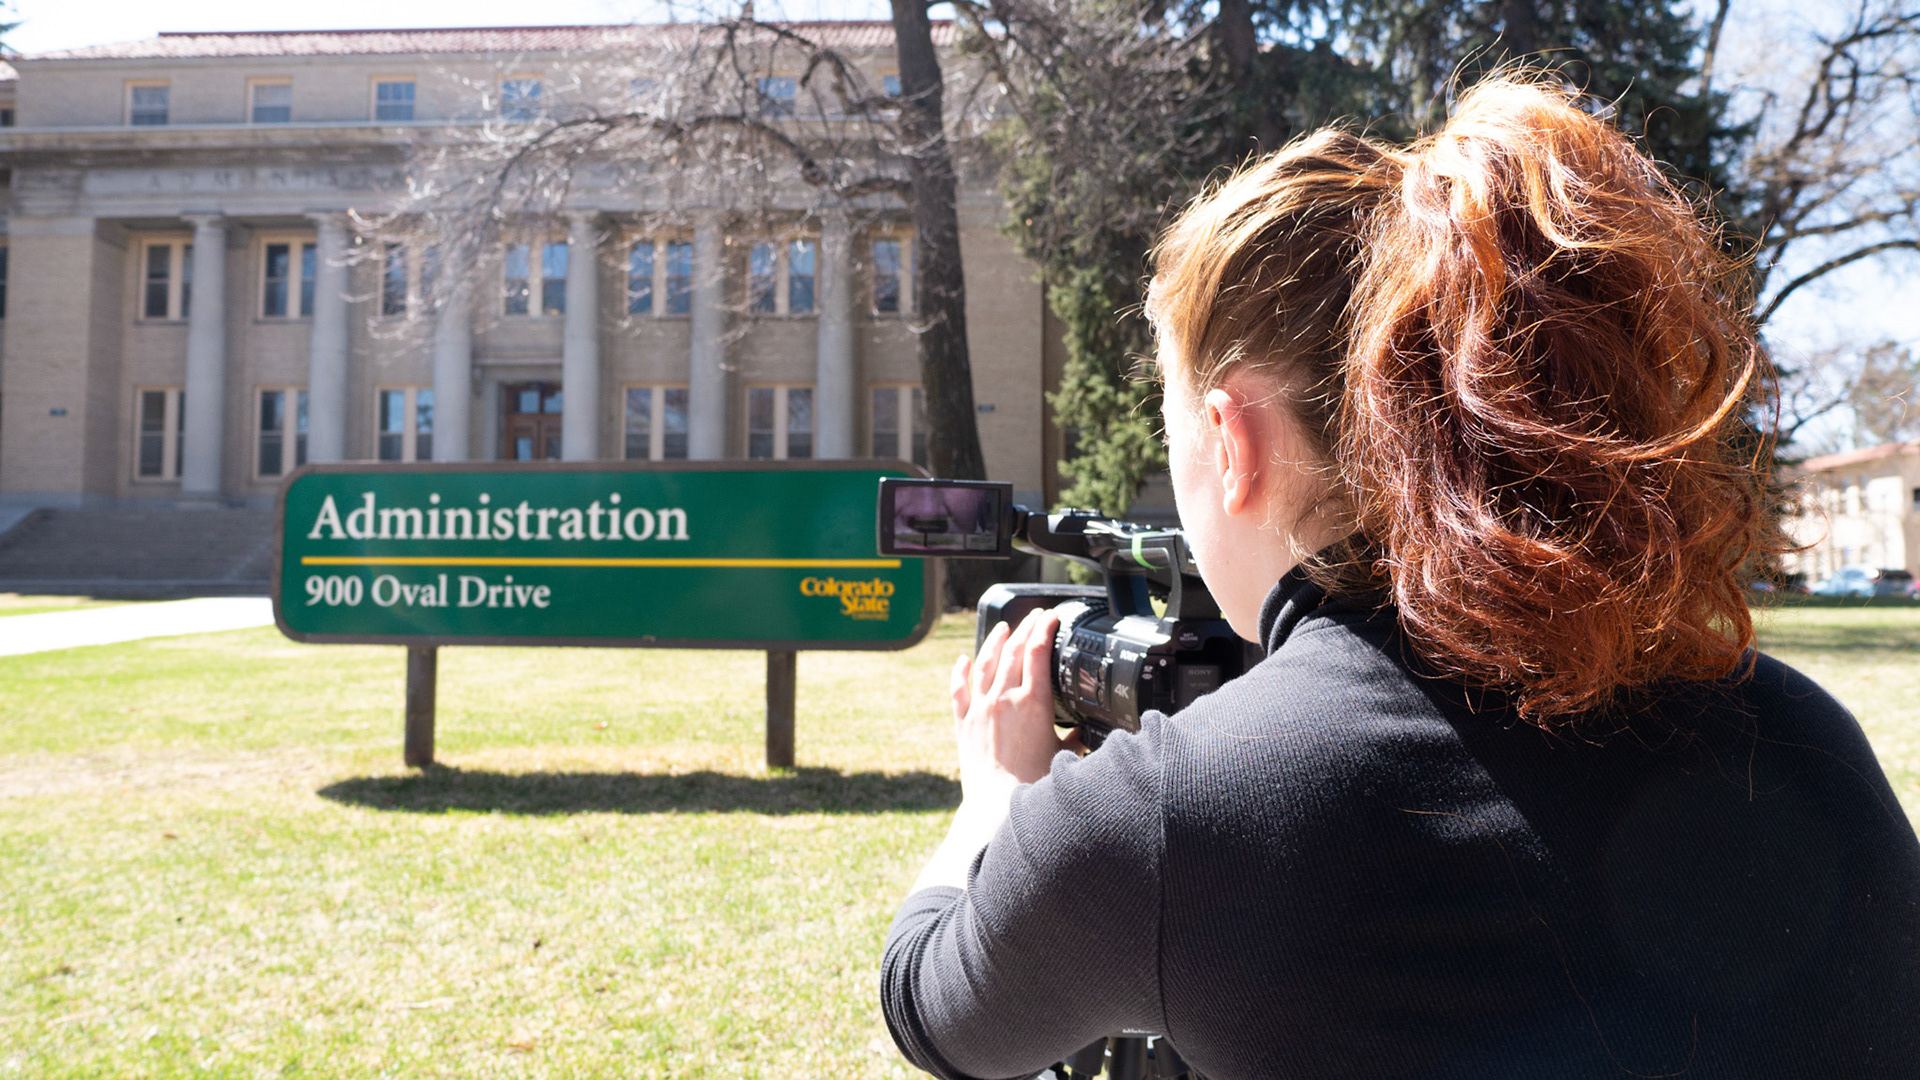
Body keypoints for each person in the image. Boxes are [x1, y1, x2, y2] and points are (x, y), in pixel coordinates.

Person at [879, 76, 1920, 1080]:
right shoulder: (1804, 742)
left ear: (1231, 440)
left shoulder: (1173, 821)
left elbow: (930, 1006)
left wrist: (997, 800)